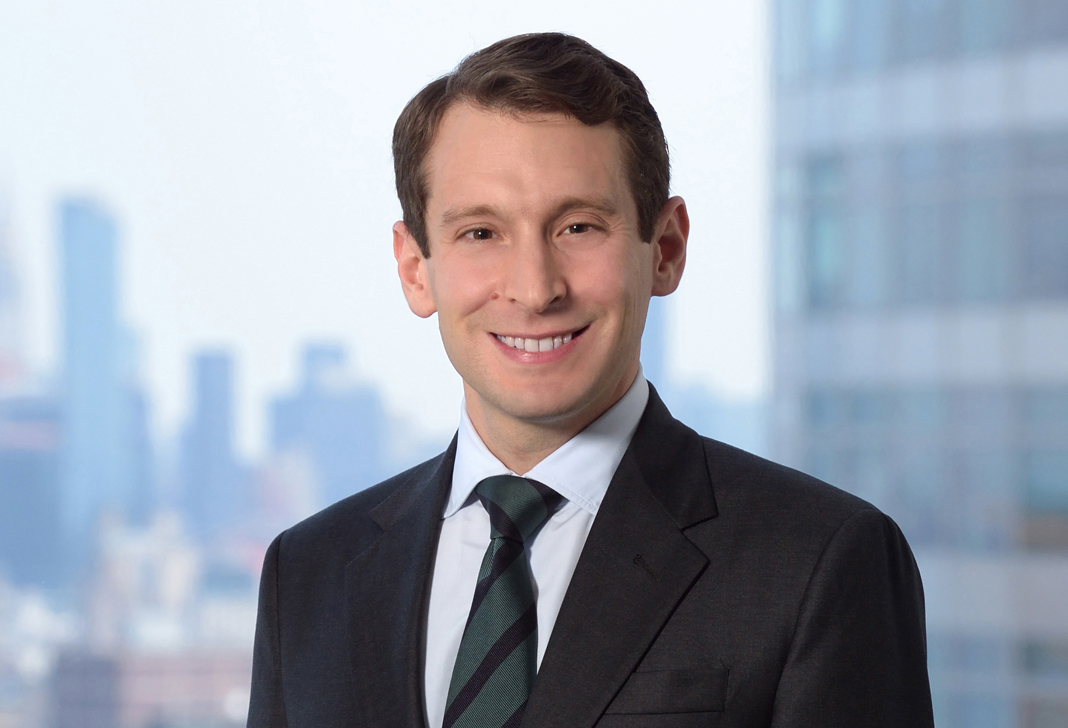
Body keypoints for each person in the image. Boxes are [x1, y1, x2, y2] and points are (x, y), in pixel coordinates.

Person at [247, 32, 934, 728]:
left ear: (665, 250)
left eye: (577, 227)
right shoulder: (306, 575)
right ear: (414, 268)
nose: (535, 288)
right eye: (481, 233)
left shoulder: (818, 561)